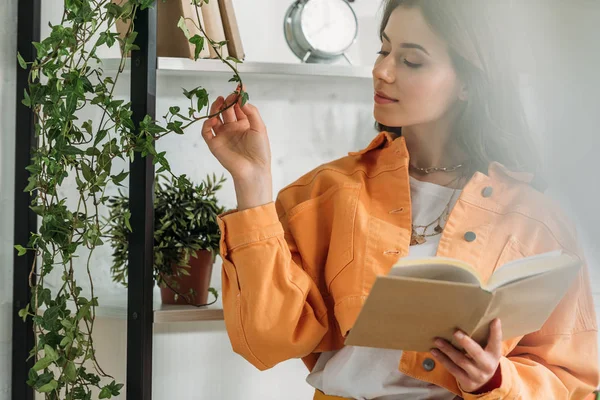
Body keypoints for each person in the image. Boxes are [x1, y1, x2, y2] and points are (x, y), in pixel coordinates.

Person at [200, 0, 599, 398]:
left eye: (411, 61)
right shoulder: (329, 191)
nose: (382, 70)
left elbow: (574, 378)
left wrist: (495, 380)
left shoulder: (533, 219)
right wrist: (252, 183)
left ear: (468, 82)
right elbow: (267, 338)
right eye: (384, 49)